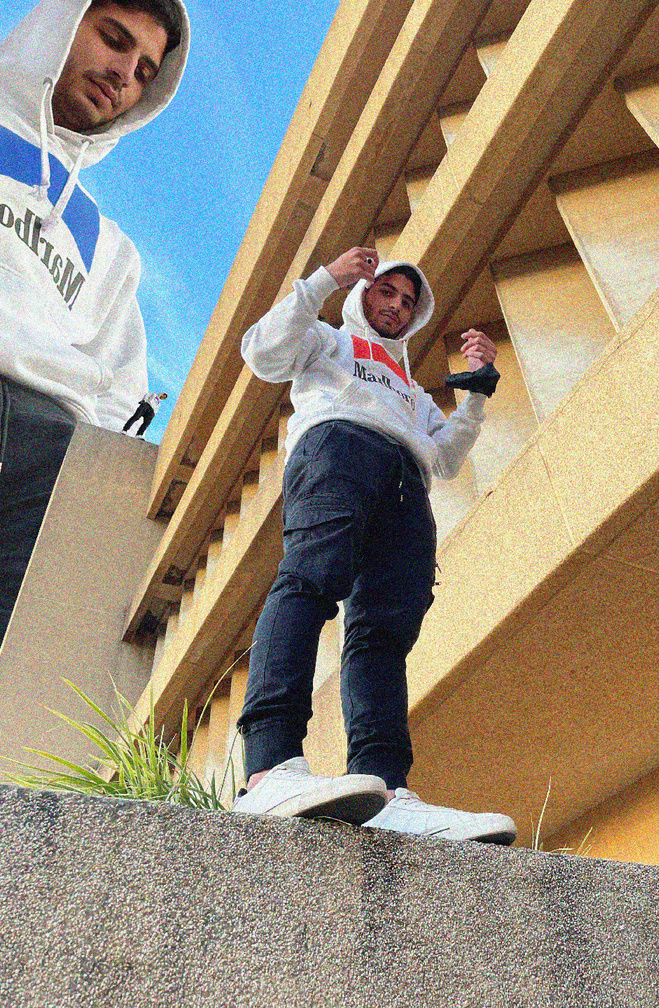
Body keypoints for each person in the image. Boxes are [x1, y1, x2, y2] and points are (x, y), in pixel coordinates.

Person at [233, 246, 517, 845]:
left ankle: (386, 787)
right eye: (387, 292)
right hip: (337, 447)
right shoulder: (328, 341)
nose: (396, 306)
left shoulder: (413, 391)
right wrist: (325, 280)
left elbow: (446, 457)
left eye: (408, 301)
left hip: (407, 481)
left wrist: (476, 395)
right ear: (363, 294)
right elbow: (262, 353)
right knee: (308, 584)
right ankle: (269, 766)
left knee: (383, 635)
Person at [0, 0, 188, 641]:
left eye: (144, 72)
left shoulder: (109, 246)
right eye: (113, 40)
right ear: (60, 23)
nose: (124, 74)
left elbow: (117, 388)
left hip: (47, 447)